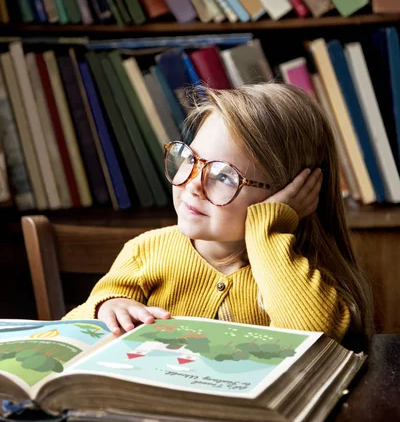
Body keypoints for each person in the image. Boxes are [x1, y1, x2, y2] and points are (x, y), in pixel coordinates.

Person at [64, 83, 374, 342]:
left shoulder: (302, 270)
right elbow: (72, 329)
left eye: (224, 176)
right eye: (191, 159)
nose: (193, 184)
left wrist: (268, 228)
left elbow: (319, 335)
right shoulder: (145, 252)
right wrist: (108, 307)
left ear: (292, 194)